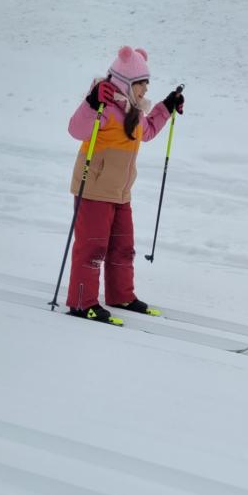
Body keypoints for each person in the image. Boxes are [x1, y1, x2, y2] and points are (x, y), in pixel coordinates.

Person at [65, 45, 184, 323]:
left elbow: (147, 132)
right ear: (126, 83)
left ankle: (121, 295)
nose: (145, 89)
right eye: (141, 83)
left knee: (123, 247)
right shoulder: (103, 106)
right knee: (92, 248)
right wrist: (91, 102)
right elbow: (75, 129)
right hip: (94, 190)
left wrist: (166, 107)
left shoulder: (134, 112)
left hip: (120, 193)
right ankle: (82, 302)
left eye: (146, 83)